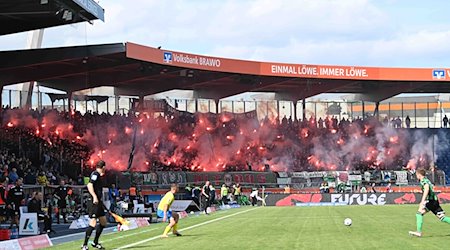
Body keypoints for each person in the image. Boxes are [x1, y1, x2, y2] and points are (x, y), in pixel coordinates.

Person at [409, 169, 450, 237]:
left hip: (431, 201)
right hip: (434, 201)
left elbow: (427, 189)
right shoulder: (427, 180)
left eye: (417, 175)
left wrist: (422, 201)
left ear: (419, 174)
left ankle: (419, 232)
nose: (416, 176)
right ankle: (418, 231)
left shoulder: (424, 181)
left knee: (419, 214)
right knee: (442, 217)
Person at [82, 160, 107, 250]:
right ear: (103, 167)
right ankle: (84, 245)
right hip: (93, 202)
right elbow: (89, 185)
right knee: (93, 222)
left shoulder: (99, 175)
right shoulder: (95, 174)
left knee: (103, 222)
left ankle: (95, 242)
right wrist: (94, 197)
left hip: (98, 202)